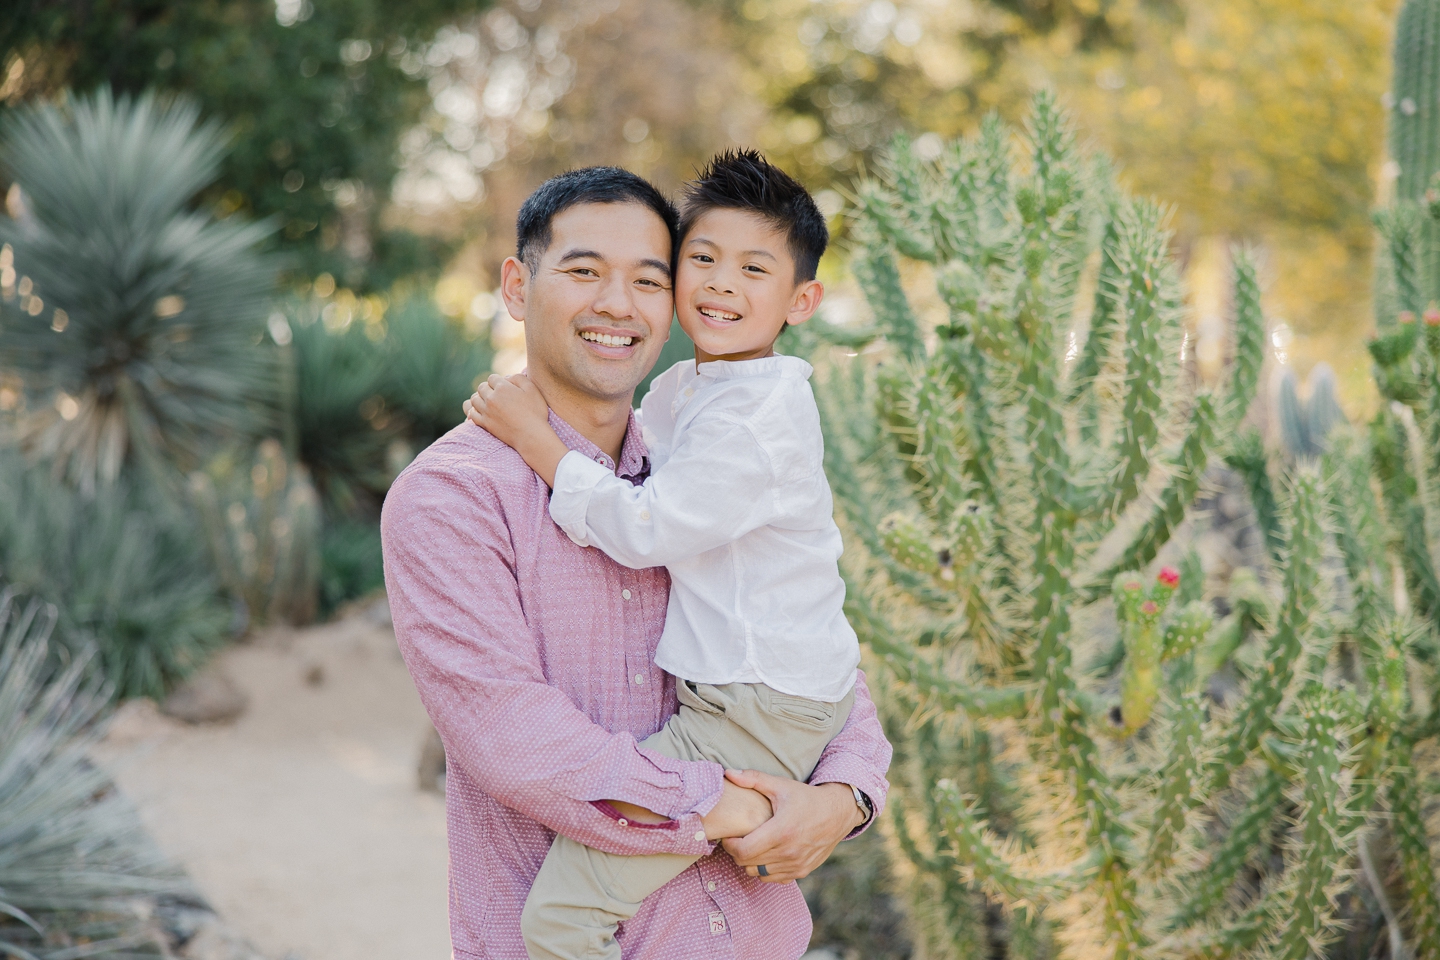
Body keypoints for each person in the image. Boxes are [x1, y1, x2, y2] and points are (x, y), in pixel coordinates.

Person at [381, 164, 892, 960]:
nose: (618, 304)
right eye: (584, 272)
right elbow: (514, 739)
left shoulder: (703, 465)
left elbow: (811, 644)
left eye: (649, 280)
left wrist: (845, 795)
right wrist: (718, 805)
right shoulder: (453, 497)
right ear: (518, 286)